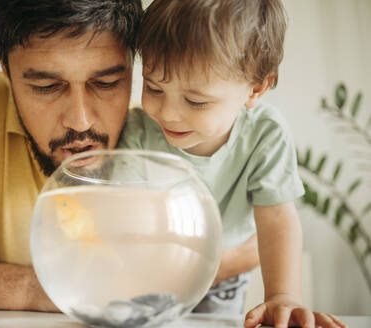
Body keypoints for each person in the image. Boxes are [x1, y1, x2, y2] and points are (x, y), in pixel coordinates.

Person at [0, 0, 259, 312]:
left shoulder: (172, 130)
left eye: (107, 82)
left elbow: (254, 239)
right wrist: (30, 289)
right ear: (5, 68)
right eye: (46, 85)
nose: (80, 120)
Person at [117, 0, 347, 327]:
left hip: (222, 282)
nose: (167, 113)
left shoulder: (264, 135)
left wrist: (283, 295)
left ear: (256, 88)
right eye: (153, 87)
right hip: (148, 275)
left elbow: (278, 218)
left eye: (195, 101)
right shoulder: (137, 130)